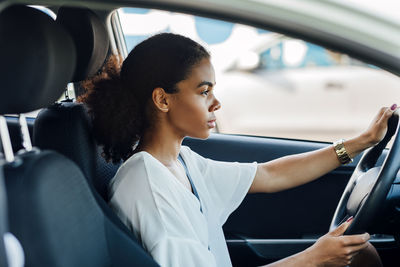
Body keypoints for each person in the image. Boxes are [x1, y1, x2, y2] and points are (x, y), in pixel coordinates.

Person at [79, 33, 391, 267]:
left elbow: (269, 175)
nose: (216, 103)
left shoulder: (181, 163)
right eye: (204, 92)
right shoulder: (147, 187)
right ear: (163, 100)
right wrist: (313, 258)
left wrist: (359, 143)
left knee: (361, 252)